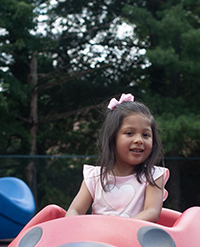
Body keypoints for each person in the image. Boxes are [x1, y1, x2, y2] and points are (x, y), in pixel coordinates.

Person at [66, 93, 169, 222]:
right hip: (98, 240)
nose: (139, 140)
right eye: (129, 133)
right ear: (112, 138)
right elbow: (75, 210)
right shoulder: (94, 177)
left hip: (133, 239)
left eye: (146, 135)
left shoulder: (152, 176)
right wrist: (72, 224)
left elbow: (152, 212)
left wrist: (120, 229)